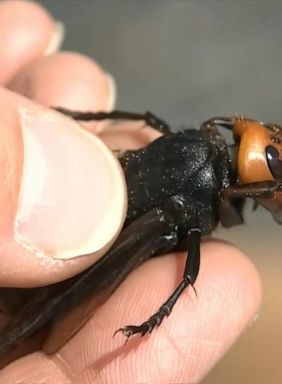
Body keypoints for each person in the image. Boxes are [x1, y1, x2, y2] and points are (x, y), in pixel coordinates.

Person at [0, 1, 261, 382]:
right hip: (41, 278)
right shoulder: (201, 177)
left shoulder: (203, 153)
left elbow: (145, 120)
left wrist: (75, 120)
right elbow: (190, 271)